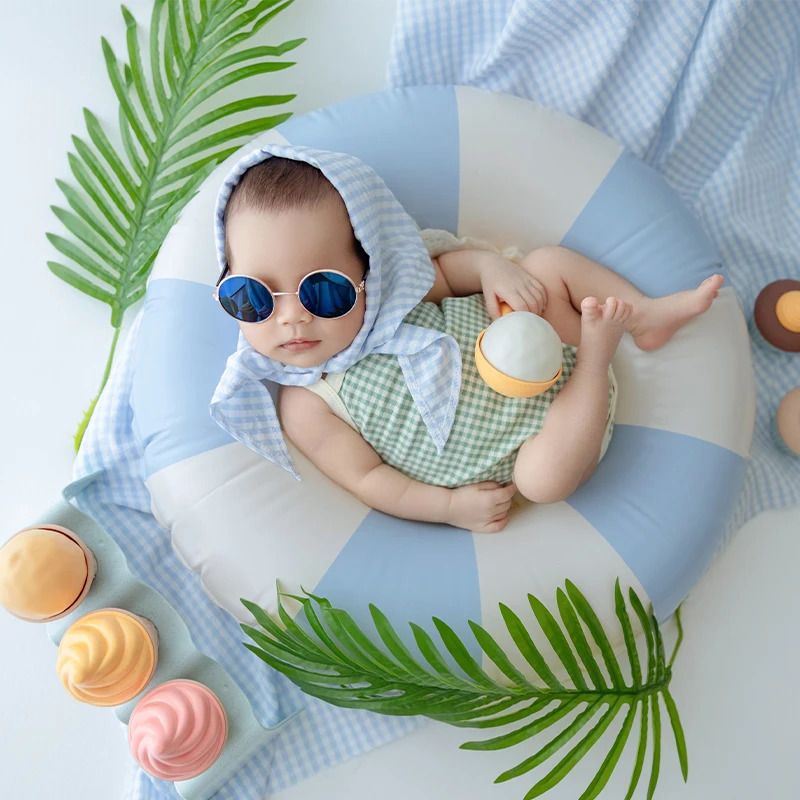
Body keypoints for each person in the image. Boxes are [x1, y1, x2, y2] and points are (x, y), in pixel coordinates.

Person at [212, 150, 722, 533]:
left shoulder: (395, 296)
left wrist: (492, 267)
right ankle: (597, 359)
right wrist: (449, 508)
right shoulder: (307, 405)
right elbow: (369, 480)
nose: (292, 318)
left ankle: (644, 317)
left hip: (544, 335)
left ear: (369, 269)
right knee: (545, 483)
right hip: (544, 440)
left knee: (545, 265)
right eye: (252, 297)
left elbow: (455, 272)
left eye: (324, 291)